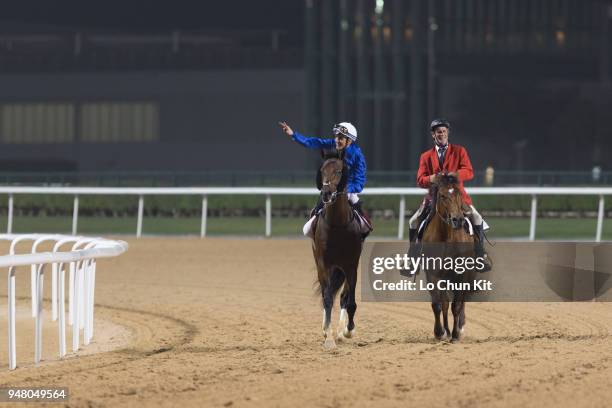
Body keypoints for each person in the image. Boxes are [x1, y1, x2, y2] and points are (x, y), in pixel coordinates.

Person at [407, 118, 491, 271]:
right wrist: (432, 178)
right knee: (413, 221)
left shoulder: (460, 151)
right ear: (433, 135)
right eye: (439, 132)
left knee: (477, 217)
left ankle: (480, 256)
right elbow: (420, 180)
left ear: (448, 133)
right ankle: (412, 259)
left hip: (457, 196)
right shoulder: (425, 156)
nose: (442, 134)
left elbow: (469, 172)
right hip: (434, 198)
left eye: (445, 131)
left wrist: (455, 175)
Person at [278, 121, 371, 238]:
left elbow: (359, 181)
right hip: (330, 188)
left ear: (350, 140)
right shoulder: (332, 144)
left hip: (348, 190)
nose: (337, 140)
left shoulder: (357, 155)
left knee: (365, 226)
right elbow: (311, 142)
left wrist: (346, 190)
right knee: (307, 230)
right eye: (336, 136)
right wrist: (293, 135)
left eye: (341, 138)